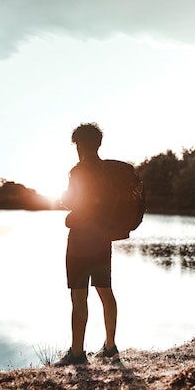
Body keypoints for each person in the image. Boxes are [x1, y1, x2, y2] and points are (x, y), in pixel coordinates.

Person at [54, 122, 119, 366]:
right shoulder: (110, 171)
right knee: (105, 291)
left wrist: (65, 202)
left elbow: (74, 201)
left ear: (79, 145)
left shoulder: (78, 170)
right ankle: (110, 347)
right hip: (103, 239)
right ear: (99, 144)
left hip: (81, 240)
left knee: (79, 296)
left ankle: (77, 353)